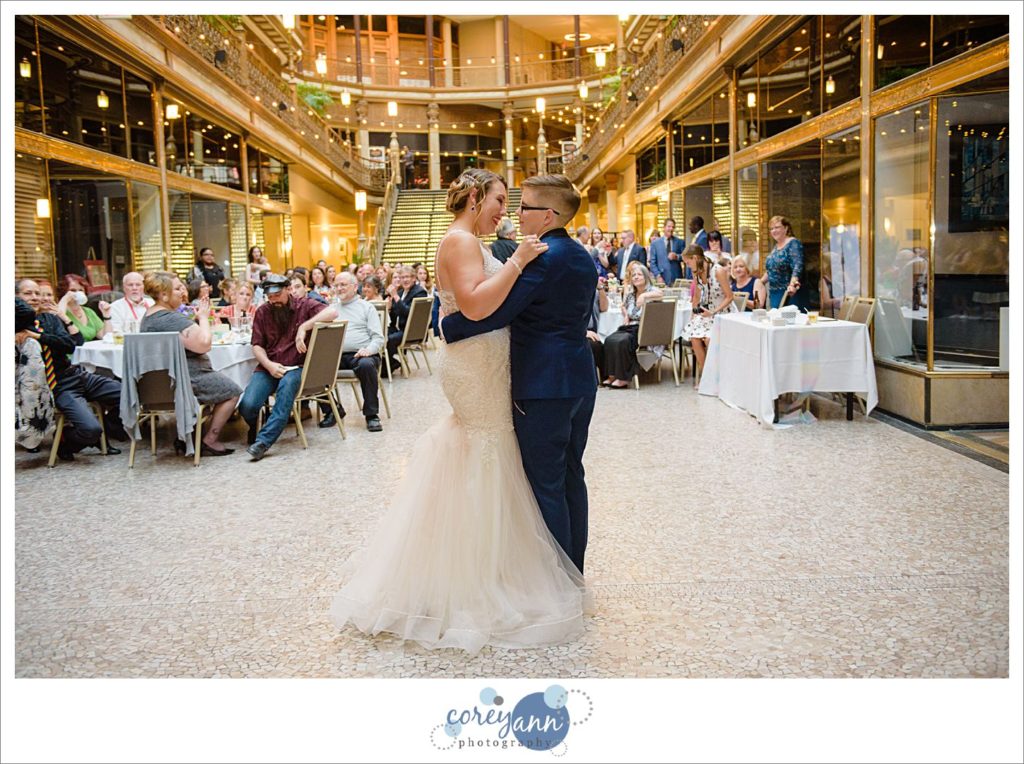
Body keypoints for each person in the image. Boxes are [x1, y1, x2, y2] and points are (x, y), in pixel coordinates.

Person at [331, 170, 588, 653]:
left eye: (513, 203)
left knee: (492, 452)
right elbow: (471, 306)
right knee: (488, 448)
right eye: (499, 200)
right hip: (476, 366)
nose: (505, 212)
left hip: (488, 360)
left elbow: (477, 309)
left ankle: (497, 565)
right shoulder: (461, 242)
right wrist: (515, 264)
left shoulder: (471, 240)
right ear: (474, 197)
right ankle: (484, 576)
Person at [15, 278, 125, 460]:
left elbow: (69, 345)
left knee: (131, 393)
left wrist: (37, 336)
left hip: (77, 375)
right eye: (28, 293)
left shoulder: (49, 319)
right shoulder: (14, 329)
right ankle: (69, 440)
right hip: (57, 387)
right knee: (90, 429)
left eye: (38, 293)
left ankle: (102, 428)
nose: (35, 298)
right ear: (16, 297)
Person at [237, 274, 338, 461]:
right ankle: (255, 427)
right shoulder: (263, 312)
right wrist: (269, 365)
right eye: (270, 296)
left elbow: (333, 312)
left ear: (288, 290)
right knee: (248, 406)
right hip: (269, 366)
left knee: (285, 393)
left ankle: (263, 442)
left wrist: (304, 327)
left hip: (296, 366)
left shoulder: (304, 305)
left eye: (277, 295)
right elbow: (257, 345)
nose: (273, 300)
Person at [139, 272, 240, 456]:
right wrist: (203, 317)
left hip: (162, 382)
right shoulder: (170, 319)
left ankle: (187, 436)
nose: (182, 292)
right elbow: (204, 344)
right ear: (163, 294)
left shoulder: (149, 317)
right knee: (232, 392)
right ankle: (209, 440)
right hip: (186, 378)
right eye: (177, 288)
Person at [319, 272, 384, 432]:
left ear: (355, 287)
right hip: (336, 356)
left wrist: (368, 350)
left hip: (362, 354)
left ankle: (371, 415)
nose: (339, 288)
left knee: (366, 366)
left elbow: (378, 338)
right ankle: (332, 410)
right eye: (337, 285)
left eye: (343, 285)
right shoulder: (331, 310)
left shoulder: (366, 307)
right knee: (311, 368)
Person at [601, 263, 663, 388]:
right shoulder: (631, 294)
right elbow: (623, 306)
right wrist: (625, 315)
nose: (636, 277)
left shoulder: (651, 291)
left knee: (622, 341)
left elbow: (661, 294)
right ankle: (612, 374)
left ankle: (624, 378)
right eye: (634, 275)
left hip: (645, 329)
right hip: (630, 326)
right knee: (609, 340)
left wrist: (645, 295)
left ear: (646, 277)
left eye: (639, 274)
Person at [682, 244, 735, 374]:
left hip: (723, 313)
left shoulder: (718, 271)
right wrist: (693, 316)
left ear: (695, 258)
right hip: (708, 314)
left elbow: (729, 297)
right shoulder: (698, 273)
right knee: (694, 337)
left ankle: (716, 374)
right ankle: (706, 374)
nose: (688, 266)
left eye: (688, 263)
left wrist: (714, 312)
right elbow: (697, 297)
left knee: (708, 339)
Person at [384, 266, 427, 373]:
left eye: (407, 277)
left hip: (411, 331)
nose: (405, 280)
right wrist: (389, 309)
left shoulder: (419, 292)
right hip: (400, 328)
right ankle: (390, 364)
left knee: (390, 339)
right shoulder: (400, 293)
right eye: (402, 277)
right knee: (380, 335)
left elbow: (409, 313)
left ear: (414, 278)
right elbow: (394, 318)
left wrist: (395, 297)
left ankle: (387, 367)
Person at [759, 214, 803, 309]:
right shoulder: (776, 247)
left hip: (788, 293)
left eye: (777, 227)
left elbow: (797, 266)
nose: (773, 231)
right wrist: (760, 281)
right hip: (774, 293)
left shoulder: (793, 243)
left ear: (786, 228)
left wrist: (792, 285)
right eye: (771, 229)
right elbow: (771, 269)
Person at [59, 274, 111, 341]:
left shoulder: (88, 312)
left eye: (81, 290)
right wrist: (65, 299)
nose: (77, 293)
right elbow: (58, 318)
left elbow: (105, 337)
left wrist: (106, 315)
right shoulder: (62, 309)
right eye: (73, 290)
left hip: (87, 351)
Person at [648, 217, 684, 285]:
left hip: (676, 279)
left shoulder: (679, 242)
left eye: (673, 227)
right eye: (669, 226)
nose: (671, 229)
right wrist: (658, 276)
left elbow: (685, 257)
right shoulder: (655, 243)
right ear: (664, 228)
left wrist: (676, 256)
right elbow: (652, 263)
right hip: (661, 278)